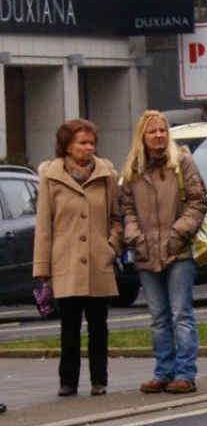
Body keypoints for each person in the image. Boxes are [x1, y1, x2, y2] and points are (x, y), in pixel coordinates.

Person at [32, 120, 123, 398]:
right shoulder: (51, 175)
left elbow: (116, 218)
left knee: (99, 325)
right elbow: (44, 225)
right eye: (82, 143)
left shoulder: (106, 173)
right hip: (66, 261)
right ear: (67, 146)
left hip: (98, 260)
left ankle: (99, 380)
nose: (88, 148)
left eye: (91, 143)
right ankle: (68, 381)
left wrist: (111, 247)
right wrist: (42, 267)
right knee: (69, 326)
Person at [120, 111, 207, 394]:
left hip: (178, 251)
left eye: (162, 130)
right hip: (147, 253)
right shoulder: (133, 170)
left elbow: (198, 202)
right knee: (158, 317)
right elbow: (127, 209)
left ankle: (185, 373)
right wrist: (136, 237)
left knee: (181, 313)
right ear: (142, 138)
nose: (159, 135)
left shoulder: (182, 163)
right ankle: (163, 371)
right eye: (152, 132)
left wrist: (177, 232)